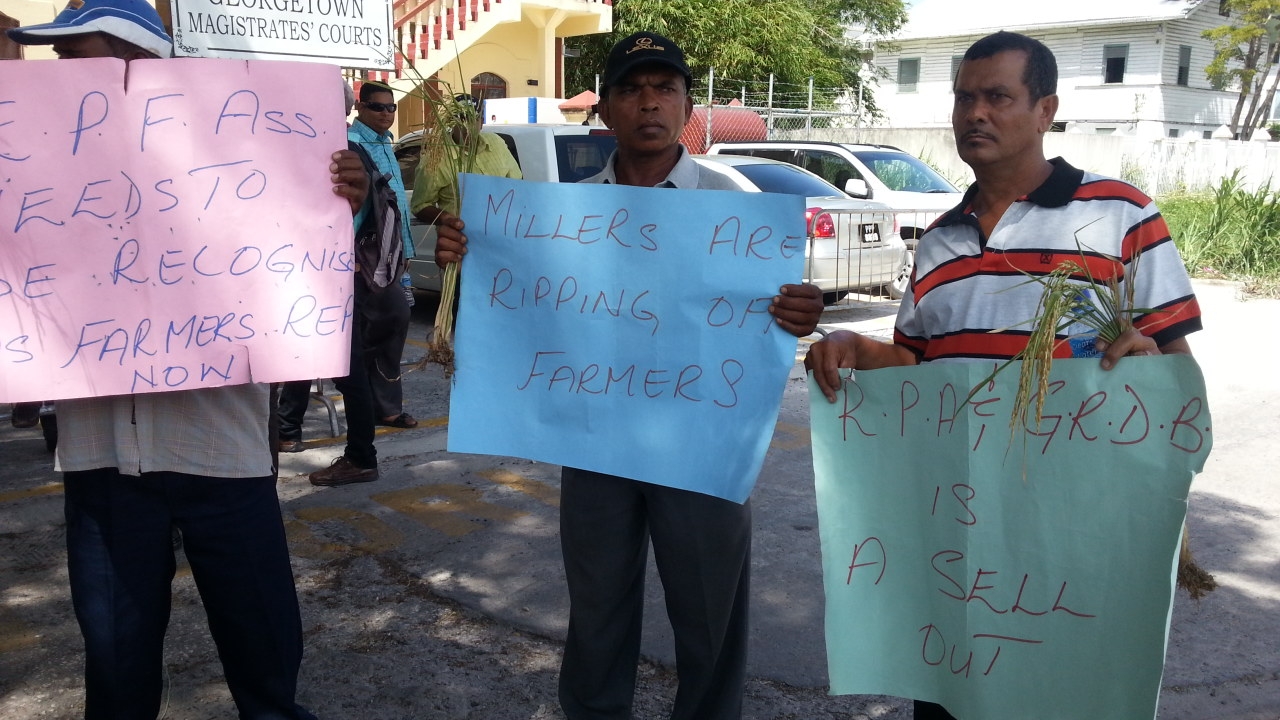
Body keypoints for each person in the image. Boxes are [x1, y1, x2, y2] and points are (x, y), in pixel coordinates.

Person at [804, 31, 1203, 720]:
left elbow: (1177, 375)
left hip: (1073, 538)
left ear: (1045, 110)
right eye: (964, 98)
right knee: (955, 694)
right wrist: (854, 346)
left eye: (998, 97)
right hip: (961, 542)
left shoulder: (1121, 216)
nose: (975, 114)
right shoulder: (939, 242)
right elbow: (921, 370)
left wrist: (1147, 361)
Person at [433, 31, 825, 720]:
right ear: (606, 110)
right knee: (598, 606)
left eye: (665, 88)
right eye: (632, 88)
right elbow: (513, 318)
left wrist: (800, 310)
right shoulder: (558, 216)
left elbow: (774, 312)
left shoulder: (733, 209)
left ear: (687, 107)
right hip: (597, 444)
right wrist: (468, 259)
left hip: (704, 446)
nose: (649, 102)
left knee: (709, 613)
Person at [6, 1, 369, 716]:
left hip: (223, 458)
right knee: (115, 676)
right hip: (101, 462)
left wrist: (337, 201)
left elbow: (298, 264)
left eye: (79, 60)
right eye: (58, 63)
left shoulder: (238, 146)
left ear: (139, 71)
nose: (59, 80)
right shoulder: (34, 161)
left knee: (266, 667)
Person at [279, 80, 386, 488]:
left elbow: (353, 218)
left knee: (346, 366)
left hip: (332, 275)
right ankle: (287, 431)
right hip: (310, 272)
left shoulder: (343, 154)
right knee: (300, 354)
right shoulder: (329, 148)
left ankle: (361, 456)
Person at [348, 80, 418, 430]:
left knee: (387, 325)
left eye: (392, 108)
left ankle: (378, 406)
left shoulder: (387, 144)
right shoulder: (352, 144)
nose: (387, 114)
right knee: (391, 319)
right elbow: (354, 207)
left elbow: (394, 207)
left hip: (393, 255)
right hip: (367, 257)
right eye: (378, 107)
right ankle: (381, 408)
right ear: (360, 108)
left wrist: (405, 250)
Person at [410, 93, 522, 226]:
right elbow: (420, 205)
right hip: (460, 239)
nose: (466, 125)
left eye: (472, 118)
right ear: (451, 121)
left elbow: (517, 185)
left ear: (481, 121)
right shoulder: (436, 158)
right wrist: (446, 219)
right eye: (461, 118)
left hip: (501, 234)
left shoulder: (496, 143)